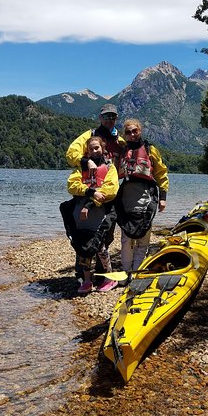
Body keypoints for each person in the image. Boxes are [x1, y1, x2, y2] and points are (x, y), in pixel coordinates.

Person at [65, 104, 125, 275]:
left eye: (113, 117)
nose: (109, 120)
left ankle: (101, 274)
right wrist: (85, 161)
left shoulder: (119, 141)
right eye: (106, 116)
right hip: (88, 193)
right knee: (84, 234)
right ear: (100, 118)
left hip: (108, 194)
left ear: (116, 118)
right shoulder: (89, 135)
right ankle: (82, 275)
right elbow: (71, 154)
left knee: (106, 235)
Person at [63, 136, 120, 294]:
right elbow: (72, 185)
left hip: (99, 211)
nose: (94, 151)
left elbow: (110, 190)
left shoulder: (110, 168)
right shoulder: (81, 168)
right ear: (87, 151)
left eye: (97, 148)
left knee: (100, 246)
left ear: (103, 149)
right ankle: (87, 280)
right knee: (82, 245)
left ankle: (110, 277)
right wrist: (90, 192)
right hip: (81, 212)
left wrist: (90, 203)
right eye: (91, 149)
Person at [115, 118, 169, 272]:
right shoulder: (123, 150)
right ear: (125, 135)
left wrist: (163, 198)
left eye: (135, 131)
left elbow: (161, 173)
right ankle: (126, 271)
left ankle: (137, 271)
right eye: (128, 132)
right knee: (126, 239)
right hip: (126, 197)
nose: (132, 134)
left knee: (144, 238)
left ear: (140, 131)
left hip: (147, 196)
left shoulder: (150, 150)